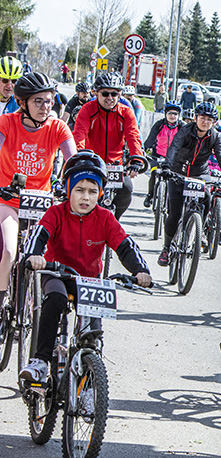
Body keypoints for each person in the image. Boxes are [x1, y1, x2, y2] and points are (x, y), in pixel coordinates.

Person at [19, 151, 152, 382]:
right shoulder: (56, 212)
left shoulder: (105, 217)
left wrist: (140, 270)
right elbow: (39, 235)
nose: (85, 198)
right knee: (56, 299)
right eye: (79, 190)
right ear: (68, 190)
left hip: (89, 281)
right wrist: (33, 255)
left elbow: (125, 245)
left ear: (100, 193)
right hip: (56, 274)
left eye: (92, 192)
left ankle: (89, 383)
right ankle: (40, 361)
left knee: (92, 334)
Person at [0, 72, 76, 305]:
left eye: (49, 100)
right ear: (22, 103)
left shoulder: (58, 128)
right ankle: (2, 299)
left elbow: (74, 162)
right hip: (9, 201)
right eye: (38, 101)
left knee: (56, 257)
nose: (45, 106)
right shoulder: (6, 123)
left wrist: (73, 187)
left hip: (42, 204)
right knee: (10, 252)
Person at [157, 102, 221, 266]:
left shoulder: (216, 136)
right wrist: (167, 167)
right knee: (174, 214)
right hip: (178, 171)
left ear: (214, 122)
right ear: (196, 118)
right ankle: (166, 248)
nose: (205, 122)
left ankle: (200, 229)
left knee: (207, 196)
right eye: (202, 118)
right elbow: (174, 148)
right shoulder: (185, 130)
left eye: (209, 120)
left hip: (200, 173)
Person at [72, 72, 145, 221]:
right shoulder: (87, 109)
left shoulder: (126, 112)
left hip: (116, 165)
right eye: (105, 93)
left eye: (114, 93)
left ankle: (114, 220)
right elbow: (79, 135)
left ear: (120, 94)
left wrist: (136, 159)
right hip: (91, 162)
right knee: (75, 190)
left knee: (127, 189)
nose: (110, 98)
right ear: (96, 93)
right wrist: (79, 156)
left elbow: (133, 136)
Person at [143, 101, 184, 208]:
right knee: (153, 173)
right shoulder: (159, 125)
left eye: (175, 114)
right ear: (165, 114)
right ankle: (150, 195)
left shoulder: (182, 127)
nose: (172, 116)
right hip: (158, 155)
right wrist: (144, 150)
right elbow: (150, 139)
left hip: (174, 158)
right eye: (170, 113)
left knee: (175, 178)